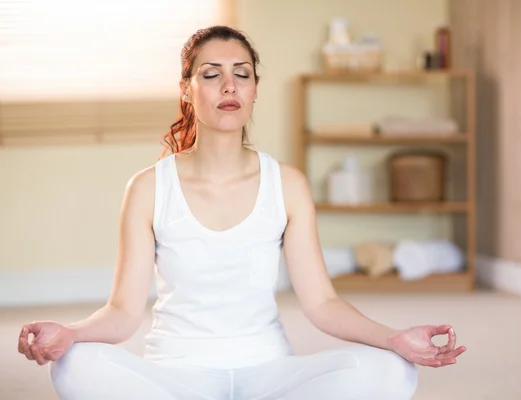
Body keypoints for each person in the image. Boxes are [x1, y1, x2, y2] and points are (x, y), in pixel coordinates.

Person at [16, 26, 466, 400]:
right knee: (75, 365)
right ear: (186, 91)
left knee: (393, 371)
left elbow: (323, 304)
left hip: (267, 374)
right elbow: (122, 312)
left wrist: (393, 338)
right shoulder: (149, 187)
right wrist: (71, 332)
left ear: (254, 90)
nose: (229, 86)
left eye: (242, 74)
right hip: (176, 377)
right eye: (211, 75)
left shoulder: (286, 184)